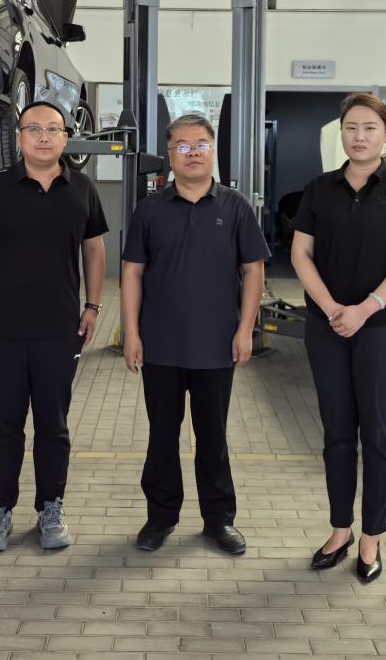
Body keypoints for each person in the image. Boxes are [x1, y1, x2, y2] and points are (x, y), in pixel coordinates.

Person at [290, 93, 386, 583]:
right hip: (327, 326)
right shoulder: (319, 188)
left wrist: (365, 308)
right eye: (351, 127)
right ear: (342, 134)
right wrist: (333, 309)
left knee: (377, 432)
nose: (360, 136)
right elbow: (301, 255)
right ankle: (340, 529)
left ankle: (372, 537)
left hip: (382, 328)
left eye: (370, 127)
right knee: (336, 431)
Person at [0, 100, 107, 552]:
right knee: (5, 426)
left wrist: (93, 305)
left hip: (60, 328)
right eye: (34, 129)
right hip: (2, 327)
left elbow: (95, 251)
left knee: (53, 426)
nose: (44, 137)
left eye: (53, 129)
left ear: (66, 138)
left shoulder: (82, 188)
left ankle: (51, 507)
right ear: (19, 137)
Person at [121, 114, 268, 556]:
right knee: (162, 436)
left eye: (201, 144)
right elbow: (132, 273)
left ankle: (219, 520)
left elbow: (254, 270)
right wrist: (132, 333)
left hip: (217, 346)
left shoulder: (236, 207)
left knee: (213, 437)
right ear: (170, 155)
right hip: (161, 345)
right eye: (182, 146)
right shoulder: (149, 209)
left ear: (212, 150)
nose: (192, 153)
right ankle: (160, 517)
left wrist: (245, 330)